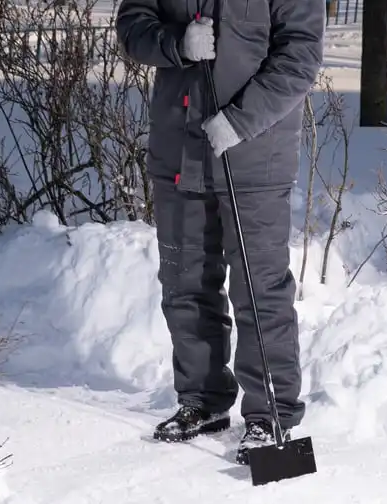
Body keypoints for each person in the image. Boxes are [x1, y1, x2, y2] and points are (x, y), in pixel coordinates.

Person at [116, 0, 324, 465]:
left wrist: (240, 119)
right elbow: (133, 25)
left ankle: (271, 416)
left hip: (254, 155)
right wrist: (176, 43)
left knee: (260, 289)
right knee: (185, 282)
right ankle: (203, 400)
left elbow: (300, 54)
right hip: (178, 151)